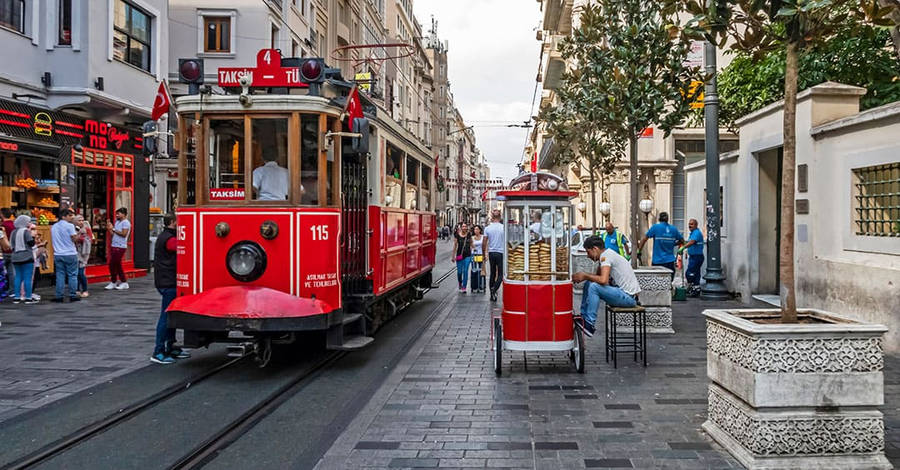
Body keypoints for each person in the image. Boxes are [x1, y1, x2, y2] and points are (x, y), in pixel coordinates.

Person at [572, 236, 641, 337]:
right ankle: (584, 317)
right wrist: (586, 277)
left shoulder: (606, 256)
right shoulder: (606, 255)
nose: (588, 256)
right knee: (589, 283)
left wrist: (585, 275)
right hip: (623, 294)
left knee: (594, 287)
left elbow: (603, 280)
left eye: (588, 252)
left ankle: (590, 323)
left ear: (595, 249)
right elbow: (597, 278)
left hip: (629, 297)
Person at [151, 213, 191, 364]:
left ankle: (171, 346)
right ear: (174, 222)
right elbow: (182, 247)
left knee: (171, 315)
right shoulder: (169, 238)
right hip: (168, 282)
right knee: (166, 316)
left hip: (167, 281)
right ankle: (158, 351)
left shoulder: (166, 236)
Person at [636, 212, 683, 280]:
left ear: (659, 219)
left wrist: (639, 251)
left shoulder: (655, 227)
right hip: (670, 261)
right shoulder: (674, 229)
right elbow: (682, 241)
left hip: (657, 261)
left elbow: (644, 239)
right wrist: (673, 243)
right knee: (669, 282)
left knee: (657, 282)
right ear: (667, 219)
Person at [51, 209, 80, 302]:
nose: (72, 217)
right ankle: (73, 294)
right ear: (64, 216)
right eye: (70, 215)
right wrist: (78, 232)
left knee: (60, 275)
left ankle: (59, 295)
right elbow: (74, 239)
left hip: (58, 253)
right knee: (72, 275)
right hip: (70, 253)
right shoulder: (70, 226)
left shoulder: (54, 227)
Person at [9, 215, 36, 304]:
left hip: (15, 257)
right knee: (27, 277)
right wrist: (33, 237)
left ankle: (17, 297)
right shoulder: (26, 232)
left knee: (18, 277)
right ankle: (28, 297)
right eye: (28, 221)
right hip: (27, 256)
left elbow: (11, 245)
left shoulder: (13, 232)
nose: (29, 223)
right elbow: (31, 243)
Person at [106, 207, 131, 290]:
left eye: (119, 213)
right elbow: (114, 234)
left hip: (120, 246)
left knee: (113, 263)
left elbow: (124, 234)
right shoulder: (117, 222)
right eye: (116, 213)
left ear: (124, 214)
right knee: (116, 264)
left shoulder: (126, 223)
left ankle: (117, 281)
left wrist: (113, 229)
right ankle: (119, 281)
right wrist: (110, 229)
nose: (117, 215)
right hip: (114, 244)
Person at [679, 218, 704, 297]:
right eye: (689, 224)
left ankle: (692, 287)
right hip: (693, 256)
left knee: (689, 273)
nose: (690, 226)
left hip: (697, 257)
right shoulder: (692, 233)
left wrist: (683, 247)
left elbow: (692, 242)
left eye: (692, 224)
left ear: (696, 225)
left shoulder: (696, 233)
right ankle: (696, 289)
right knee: (696, 274)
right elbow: (689, 242)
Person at [483, 209, 504, 302]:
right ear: (500, 217)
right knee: (500, 274)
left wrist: (484, 253)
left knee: (492, 273)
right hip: (501, 252)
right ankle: (494, 289)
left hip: (491, 252)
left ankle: (492, 293)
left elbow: (484, 242)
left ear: (492, 217)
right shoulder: (503, 227)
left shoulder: (487, 228)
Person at [74, 215, 93, 297]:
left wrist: (81, 238)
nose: (81, 222)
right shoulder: (73, 229)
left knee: (81, 272)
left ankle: (85, 289)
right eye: (79, 220)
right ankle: (77, 289)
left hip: (83, 252)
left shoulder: (87, 228)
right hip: (75, 252)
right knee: (76, 272)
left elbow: (89, 239)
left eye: (82, 220)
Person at [452, 223, 472, 293]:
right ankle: (460, 283)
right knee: (459, 272)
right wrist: (453, 256)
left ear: (467, 228)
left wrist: (475, 250)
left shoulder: (469, 235)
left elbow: (471, 244)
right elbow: (455, 246)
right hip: (459, 255)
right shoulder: (457, 235)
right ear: (460, 228)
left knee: (465, 271)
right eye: (463, 226)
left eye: (465, 226)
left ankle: (464, 287)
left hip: (468, 255)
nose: (464, 228)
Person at [469, 225, 486, 293]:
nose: (476, 231)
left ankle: (482, 285)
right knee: (474, 270)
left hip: (481, 255)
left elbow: (485, 246)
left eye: (477, 229)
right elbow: (471, 246)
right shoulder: (472, 238)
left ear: (480, 230)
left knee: (481, 270)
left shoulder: (483, 237)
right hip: (474, 255)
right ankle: (474, 286)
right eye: (475, 229)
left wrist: (486, 255)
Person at [2, 208, 15, 298]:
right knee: (12, 272)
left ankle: (3, 289)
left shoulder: (2, 226)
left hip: (3, 251)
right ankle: (12, 290)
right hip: (13, 251)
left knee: (2, 272)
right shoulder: (14, 225)